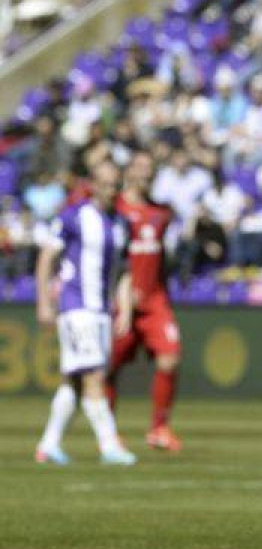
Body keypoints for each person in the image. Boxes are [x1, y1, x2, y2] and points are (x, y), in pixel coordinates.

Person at [34, 159, 138, 466]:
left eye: (115, 185)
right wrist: (44, 302)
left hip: (101, 310)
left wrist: (126, 308)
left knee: (75, 381)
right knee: (93, 375)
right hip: (76, 305)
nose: (111, 190)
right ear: (92, 185)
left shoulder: (121, 223)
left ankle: (49, 444)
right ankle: (109, 445)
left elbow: (124, 271)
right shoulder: (74, 217)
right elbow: (46, 259)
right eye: (105, 184)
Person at [107, 150, 184, 451]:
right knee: (110, 368)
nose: (146, 172)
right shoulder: (115, 209)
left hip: (154, 300)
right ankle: (108, 432)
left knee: (170, 357)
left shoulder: (162, 213)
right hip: (121, 300)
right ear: (129, 172)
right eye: (140, 166)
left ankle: (159, 428)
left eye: (150, 167)